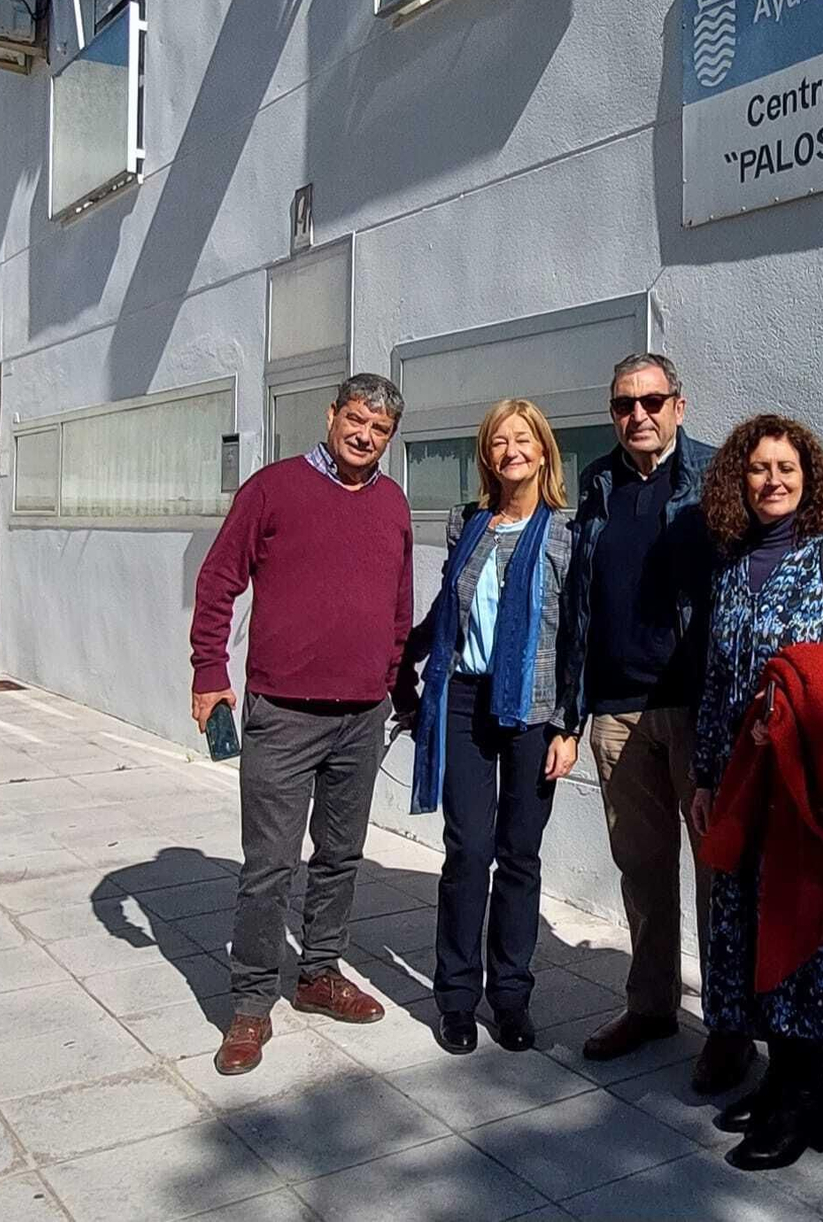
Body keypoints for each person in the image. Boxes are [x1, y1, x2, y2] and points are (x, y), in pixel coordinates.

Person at [690, 413, 823, 1170]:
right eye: (758, 469)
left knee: (808, 936)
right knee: (755, 935)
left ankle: (803, 1093)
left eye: (786, 467)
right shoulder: (731, 568)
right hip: (749, 790)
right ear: (737, 482)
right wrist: (708, 776)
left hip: (811, 793)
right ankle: (787, 1081)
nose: (772, 480)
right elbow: (717, 686)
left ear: (808, 477)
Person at [189, 374, 413, 1076]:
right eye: (355, 419)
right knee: (269, 866)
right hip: (283, 714)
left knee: (341, 855)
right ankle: (252, 1003)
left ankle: (318, 973)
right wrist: (207, 671)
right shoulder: (274, 488)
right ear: (332, 416)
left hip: (361, 714)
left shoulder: (394, 503)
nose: (364, 435)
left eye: (379, 429)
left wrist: (392, 683)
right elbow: (219, 579)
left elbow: (400, 608)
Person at [561, 353, 754, 1094]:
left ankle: (730, 1026)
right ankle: (650, 1005)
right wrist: (571, 708)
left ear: (679, 403)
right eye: (622, 404)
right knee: (641, 868)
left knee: (718, 872)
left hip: (699, 710)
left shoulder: (715, 478)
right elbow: (580, 598)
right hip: (617, 709)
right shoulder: (599, 482)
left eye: (650, 401)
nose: (636, 415)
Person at [400, 399, 579, 1056]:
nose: (511, 450)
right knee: (468, 850)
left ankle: (511, 997)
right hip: (465, 698)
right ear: (487, 456)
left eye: (522, 438)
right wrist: (404, 659)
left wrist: (569, 723)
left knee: (519, 856)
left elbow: (577, 634)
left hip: (534, 707)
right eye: (498, 441)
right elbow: (446, 613)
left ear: (542, 449)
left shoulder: (567, 530)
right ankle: (455, 997)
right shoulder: (465, 523)